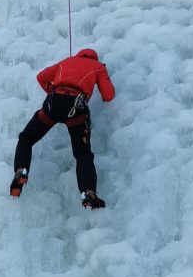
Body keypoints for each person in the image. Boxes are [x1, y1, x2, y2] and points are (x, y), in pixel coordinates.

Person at [11, 47, 115, 209]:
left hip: (53, 103)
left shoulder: (66, 61)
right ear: (94, 58)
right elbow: (108, 95)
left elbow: (41, 77)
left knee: (27, 138)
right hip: (76, 108)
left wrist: (52, 91)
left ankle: (21, 171)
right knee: (83, 155)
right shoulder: (98, 66)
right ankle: (88, 193)